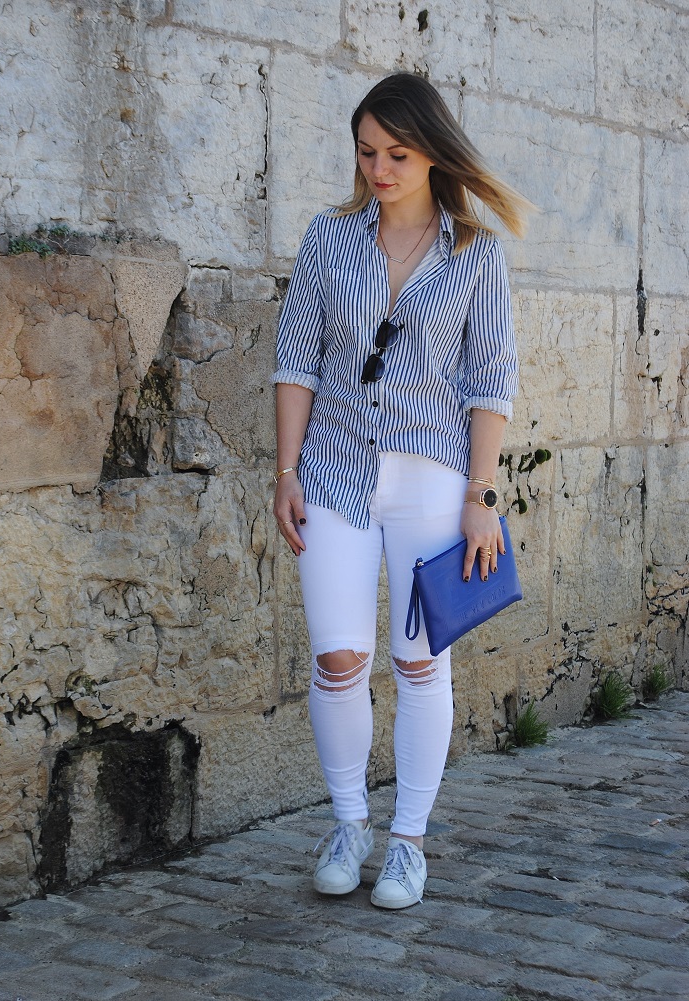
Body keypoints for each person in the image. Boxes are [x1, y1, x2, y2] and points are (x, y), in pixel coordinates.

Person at [272, 72, 531, 909]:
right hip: (333, 472)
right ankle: (349, 824)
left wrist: (481, 497)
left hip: (432, 480)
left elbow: (490, 380)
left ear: (432, 155)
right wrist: (285, 470)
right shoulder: (328, 238)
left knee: (420, 662)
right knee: (337, 656)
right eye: (366, 152)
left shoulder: (475, 253)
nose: (378, 170)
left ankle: (408, 841)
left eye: (397, 154)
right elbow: (296, 359)